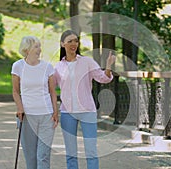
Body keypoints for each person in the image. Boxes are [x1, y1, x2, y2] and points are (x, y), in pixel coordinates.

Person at [54, 30, 116, 169]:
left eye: (76, 41)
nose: (73, 44)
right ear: (62, 44)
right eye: (69, 41)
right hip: (67, 113)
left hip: (87, 111)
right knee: (71, 153)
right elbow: (49, 88)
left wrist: (108, 66)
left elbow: (103, 78)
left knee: (91, 151)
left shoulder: (87, 62)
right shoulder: (58, 67)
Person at [11, 36, 59, 169]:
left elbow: (52, 92)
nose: (39, 49)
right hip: (27, 116)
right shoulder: (18, 66)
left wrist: (55, 112)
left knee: (43, 155)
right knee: (30, 156)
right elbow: (15, 91)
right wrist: (20, 108)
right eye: (36, 46)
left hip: (46, 115)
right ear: (27, 50)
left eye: (39, 46)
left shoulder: (47, 67)